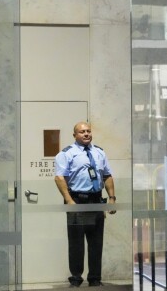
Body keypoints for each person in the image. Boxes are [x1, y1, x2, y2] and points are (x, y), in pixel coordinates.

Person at [54, 121, 116, 287]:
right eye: (82, 132)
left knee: (96, 242)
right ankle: (76, 279)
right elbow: (60, 178)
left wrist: (111, 198)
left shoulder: (99, 152)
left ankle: (95, 279)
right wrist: (69, 200)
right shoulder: (67, 153)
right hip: (77, 200)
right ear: (75, 135)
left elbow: (107, 175)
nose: (86, 134)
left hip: (96, 199)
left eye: (88, 131)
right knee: (76, 243)